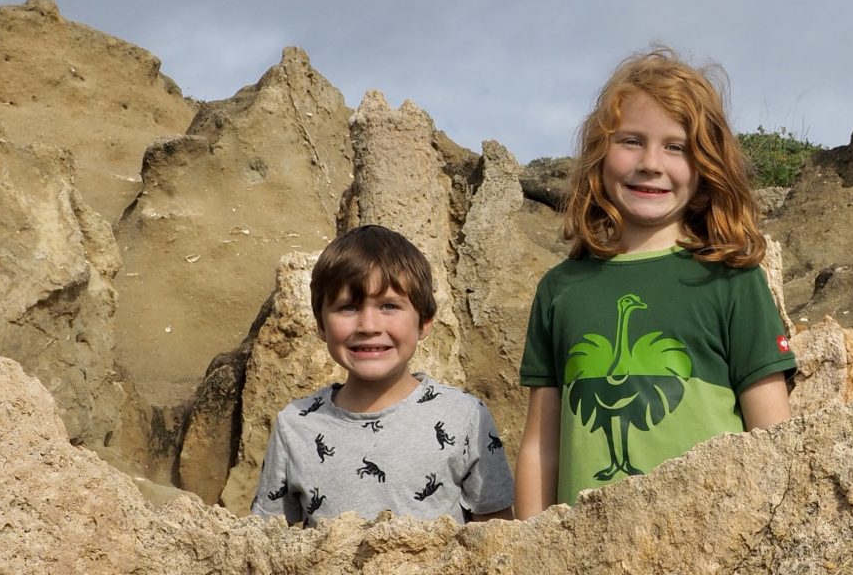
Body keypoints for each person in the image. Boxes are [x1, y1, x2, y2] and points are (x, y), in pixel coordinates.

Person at [515, 50, 794, 516]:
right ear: (600, 157)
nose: (650, 163)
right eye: (631, 141)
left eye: (675, 146)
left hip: (706, 545)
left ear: (706, 169)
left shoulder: (731, 281)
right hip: (582, 557)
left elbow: (773, 437)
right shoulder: (560, 289)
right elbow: (541, 448)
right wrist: (524, 553)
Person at [251, 224, 514, 527]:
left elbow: (495, 540)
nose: (368, 325)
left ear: (425, 320)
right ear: (321, 325)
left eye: (389, 306)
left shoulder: (466, 418)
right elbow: (267, 541)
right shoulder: (294, 426)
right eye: (347, 307)